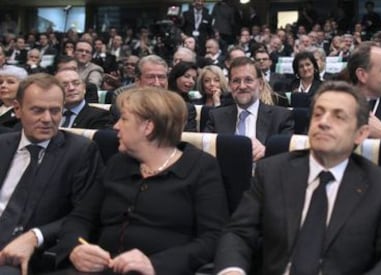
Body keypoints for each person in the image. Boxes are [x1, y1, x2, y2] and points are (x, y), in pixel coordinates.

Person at [214, 81, 381, 275]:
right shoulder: (272, 172)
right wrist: (233, 269)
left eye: (338, 117)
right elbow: (238, 233)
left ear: (360, 134)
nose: (324, 122)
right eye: (318, 114)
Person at [51, 86, 228, 275]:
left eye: (124, 119)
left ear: (148, 127)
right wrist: (75, 249)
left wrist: (156, 265)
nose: (116, 126)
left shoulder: (200, 167)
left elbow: (213, 238)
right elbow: (80, 218)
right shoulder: (117, 163)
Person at [0, 73, 103, 274]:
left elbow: (84, 215)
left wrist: (36, 236)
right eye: (37, 110)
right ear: (18, 109)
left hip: (29, 253)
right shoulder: (2, 145)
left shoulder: (80, 152)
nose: (47, 119)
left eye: (55, 111)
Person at [204, 57, 294, 161]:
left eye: (248, 80)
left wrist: (267, 151)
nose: (242, 86)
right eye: (236, 81)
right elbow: (205, 154)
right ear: (229, 86)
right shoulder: (216, 117)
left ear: (260, 84)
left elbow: (289, 156)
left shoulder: (281, 117)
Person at [112, 55, 197, 132]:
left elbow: (187, 141)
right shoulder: (122, 106)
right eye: (151, 77)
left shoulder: (183, 109)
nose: (157, 83)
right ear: (137, 80)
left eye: (161, 77)